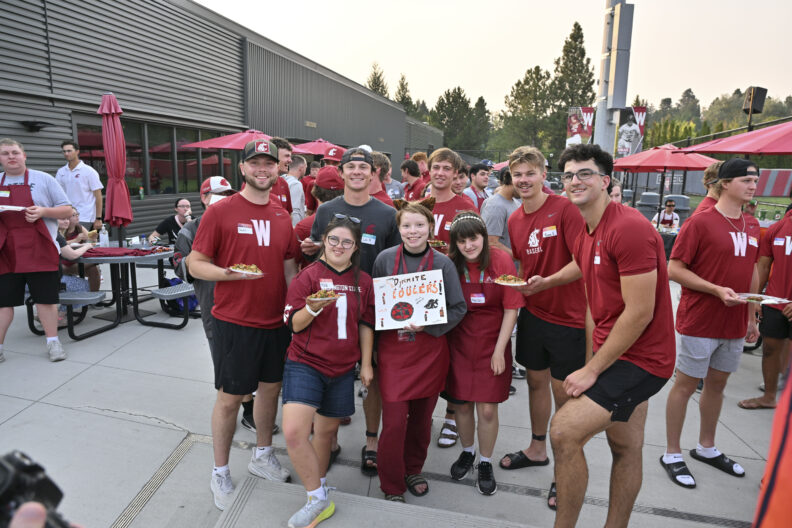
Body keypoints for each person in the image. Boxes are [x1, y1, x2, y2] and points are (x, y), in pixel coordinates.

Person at [551, 143, 675, 528]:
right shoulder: (585, 227)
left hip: (644, 360)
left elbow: (640, 312)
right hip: (615, 350)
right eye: (569, 175)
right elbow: (588, 279)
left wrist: (593, 369)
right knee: (625, 446)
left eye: (585, 173)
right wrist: (545, 285)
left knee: (564, 431)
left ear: (606, 181)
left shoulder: (630, 227)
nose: (575, 180)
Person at [187, 139, 299, 510]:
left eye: (269, 163)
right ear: (243, 169)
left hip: (275, 321)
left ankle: (262, 455)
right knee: (230, 398)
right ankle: (219, 471)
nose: (263, 169)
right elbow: (195, 263)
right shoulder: (221, 212)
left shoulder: (283, 215)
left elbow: (287, 266)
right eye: (256, 163)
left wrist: (292, 306)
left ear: (278, 169)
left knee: (270, 391)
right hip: (234, 321)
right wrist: (227, 274)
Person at [662, 158, 761, 490]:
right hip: (700, 321)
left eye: (755, 180)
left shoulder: (751, 224)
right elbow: (674, 268)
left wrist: (751, 314)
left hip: (733, 324)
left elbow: (752, 271)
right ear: (726, 183)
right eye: (747, 180)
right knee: (686, 385)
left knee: (717, 387)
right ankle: (672, 453)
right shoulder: (700, 222)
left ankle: (706, 447)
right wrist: (715, 289)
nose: (753, 185)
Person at [302, 147, 401, 477]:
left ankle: (371, 442)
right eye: (351, 166)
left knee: (372, 376)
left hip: (374, 307)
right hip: (334, 307)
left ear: (374, 173)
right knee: (330, 373)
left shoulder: (387, 213)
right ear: (341, 173)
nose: (357, 171)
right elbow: (317, 258)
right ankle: (328, 441)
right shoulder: (327, 209)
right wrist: (312, 250)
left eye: (364, 167)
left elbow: (395, 262)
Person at [499, 146, 586, 511]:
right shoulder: (515, 219)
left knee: (563, 394)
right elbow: (523, 263)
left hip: (569, 317)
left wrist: (546, 281)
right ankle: (537, 449)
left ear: (543, 174)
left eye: (529, 173)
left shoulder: (565, 209)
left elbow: (584, 262)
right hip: (533, 313)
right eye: (517, 174)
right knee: (535, 381)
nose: (523, 180)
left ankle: (562, 471)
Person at [281, 217, 375, 528]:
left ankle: (317, 494)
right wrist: (313, 307)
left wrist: (366, 363)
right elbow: (293, 325)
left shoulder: (363, 281)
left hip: (343, 367)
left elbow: (364, 324)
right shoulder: (307, 277)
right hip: (306, 362)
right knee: (295, 432)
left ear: (355, 247)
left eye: (346, 242)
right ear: (323, 241)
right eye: (333, 240)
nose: (338, 246)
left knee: (325, 433)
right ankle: (318, 497)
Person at [372, 201, 467, 501]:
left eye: (419, 225)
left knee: (422, 421)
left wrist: (429, 326)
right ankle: (391, 484)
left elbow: (459, 307)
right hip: (393, 353)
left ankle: (413, 468)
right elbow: (375, 306)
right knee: (395, 423)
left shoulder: (443, 263)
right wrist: (370, 353)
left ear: (431, 228)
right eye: (407, 226)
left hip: (429, 353)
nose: (413, 232)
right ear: (398, 228)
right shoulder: (385, 259)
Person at [445, 212, 522, 495]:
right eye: (461, 240)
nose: (468, 245)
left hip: (493, 340)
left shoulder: (500, 261)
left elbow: (511, 308)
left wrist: (500, 350)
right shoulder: (450, 264)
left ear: (483, 237)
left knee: (487, 408)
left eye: (473, 238)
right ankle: (468, 452)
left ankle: (486, 462)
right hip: (459, 342)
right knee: (462, 404)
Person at [0, 138, 72, 363]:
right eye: (5, 154)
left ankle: (53, 343)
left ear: (24, 156)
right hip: (6, 252)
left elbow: (67, 210)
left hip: (40, 248)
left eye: (14, 152)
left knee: (45, 301)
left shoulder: (43, 179)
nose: (10, 157)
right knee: (3, 303)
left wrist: (43, 211)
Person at [424, 148, 476, 448]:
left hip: (452, 288)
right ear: (429, 170)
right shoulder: (419, 203)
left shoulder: (464, 205)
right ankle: (422, 415)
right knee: (427, 355)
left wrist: (449, 253)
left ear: (456, 174)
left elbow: (476, 248)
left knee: (456, 358)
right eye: (436, 167)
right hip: (422, 291)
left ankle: (452, 418)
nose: (440, 173)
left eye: (447, 168)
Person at [740, 207, 792, 410]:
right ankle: (769, 397)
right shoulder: (778, 228)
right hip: (775, 301)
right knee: (770, 349)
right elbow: (762, 266)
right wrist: (757, 300)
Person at [294, 167, 345, 269]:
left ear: (315, 190)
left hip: (312, 282)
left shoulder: (303, 226)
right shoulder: (354, 222)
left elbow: (294, 265)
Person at [55, 140, 103, 231]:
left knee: (82, 243)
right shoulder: (61, 172)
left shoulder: (89, 171)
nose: (66, 153)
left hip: (85, 216)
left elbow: (98, 196)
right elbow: (58, 194)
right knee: (69, 244)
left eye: (69, 151)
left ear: (77, 151)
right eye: (64, 151)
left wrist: (98, 218)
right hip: (66, 217)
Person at [480, 167, 520, 256]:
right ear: (511, 180)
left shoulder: (516, 202)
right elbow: (491, 242)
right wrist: (519, 258)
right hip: (503, 267)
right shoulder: (495, 205)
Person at [59, 206, 100, 291]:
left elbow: (91, 240)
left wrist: (93, 237)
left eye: (77, 214)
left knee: (94, 270)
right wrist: (76, 240)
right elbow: (60, 244)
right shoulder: (60, 229)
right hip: (63, 263)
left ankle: (92, 299)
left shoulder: (79, 227)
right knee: (95, 264)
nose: (77, 216)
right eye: (74, 215)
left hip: (77, 261)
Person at [269, 136, 295, 215]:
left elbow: (289, 214)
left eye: (290, 157)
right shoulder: (253, 183)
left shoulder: (283, 183)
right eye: (287, 156)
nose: (290, 160)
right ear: (274, 156)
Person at [285, 155, 307, 225]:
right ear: (301, 168)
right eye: (306, 167)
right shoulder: (296, 184)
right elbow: (294, 211)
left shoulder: (281, 179)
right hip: (292, 226)